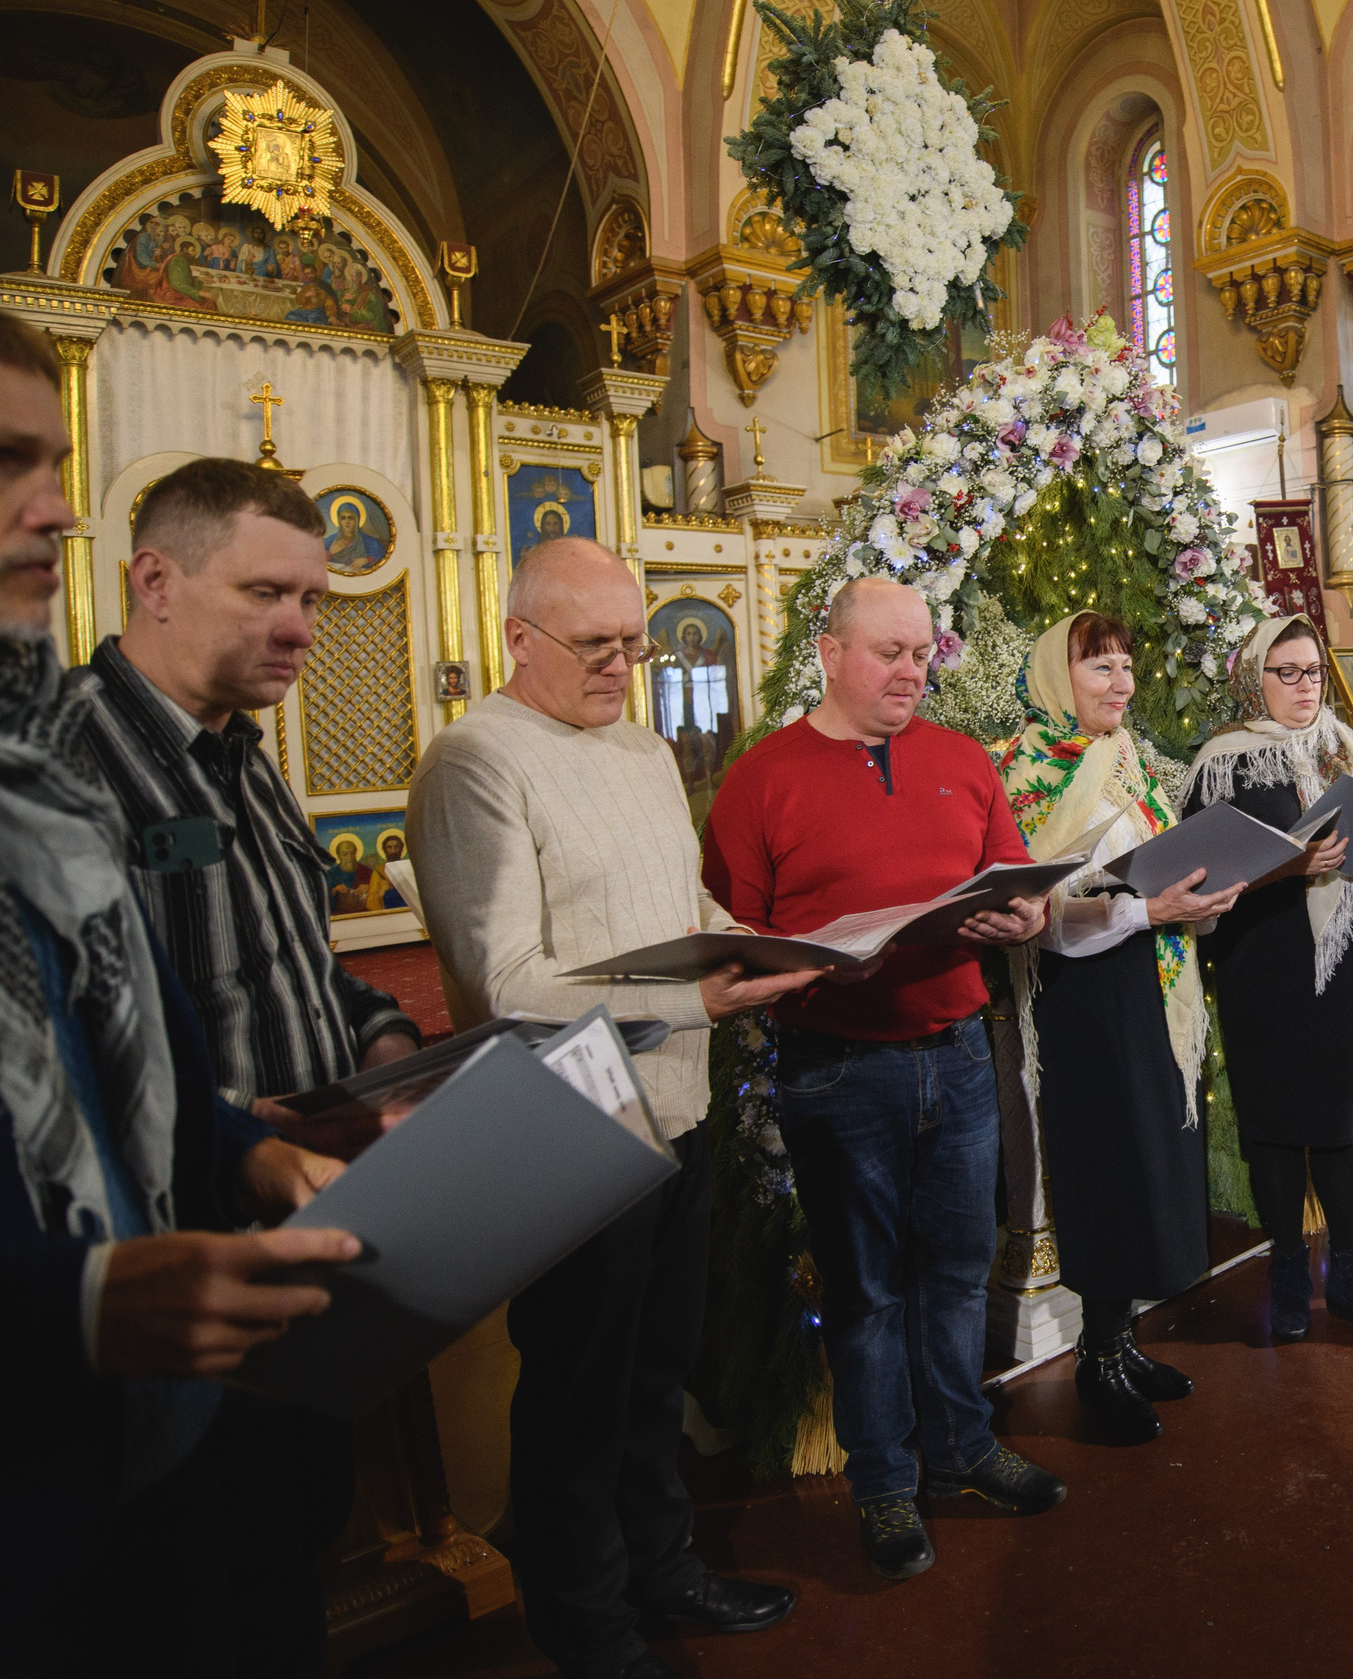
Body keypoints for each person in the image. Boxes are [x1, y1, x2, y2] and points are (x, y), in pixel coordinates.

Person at [0, 309, 359, 1678]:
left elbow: (137, 1034)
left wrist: (249, 1144)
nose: (53, 510)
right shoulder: (82, 755)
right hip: (78, 1382)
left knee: (266, 1580)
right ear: (157, 582)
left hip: (217, 1291)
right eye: (9, 462)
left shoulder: (210, 757)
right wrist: (80, 1300)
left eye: (54, 465)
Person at [411, 536, 812, 1679]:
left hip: (677, 1104)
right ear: (517, 637)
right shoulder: (475, 761)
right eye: (594, 644)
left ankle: (663, 1572)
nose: (621, 666)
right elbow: (506, 981)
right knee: (578, 1393)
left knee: (655, 1373)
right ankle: (587, 1630)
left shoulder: (640, 748)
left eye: (633, 644)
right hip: (568, 1125)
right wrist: (695, 997)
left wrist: (748, 945)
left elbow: (678, 902)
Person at [701, 577, 1063, 1584]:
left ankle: (962, 1447)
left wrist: (1023, 917)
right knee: (863, 1292)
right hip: (837, 1068)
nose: (911, 672)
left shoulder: (962, 760)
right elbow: (733, 934)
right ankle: (885, 1484)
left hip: (958, 1051)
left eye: (922, 653)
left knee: (956, 1273)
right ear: (830, 653)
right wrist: (807, 964)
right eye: (888, 653)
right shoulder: (761, 780)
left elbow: (1017, 881)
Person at [69, 459, 422, 1136]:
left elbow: (294, 966)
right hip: (190, 1192)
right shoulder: (53, 761)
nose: (302, 631)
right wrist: (237, 1131)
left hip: (328, 1167)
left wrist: (385, 1038)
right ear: (155, 582)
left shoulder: (245, 754)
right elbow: (51, 1047)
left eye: (310, 599)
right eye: (264, 593)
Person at [993, 610, 1242, 1443]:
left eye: (1126, 665)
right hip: (1083, 995)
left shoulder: (1128, 755)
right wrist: (1147, 911)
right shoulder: (1024, 767)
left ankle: (1120, 1338)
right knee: (1104, 1164)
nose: (1122, 682)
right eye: (1100, 666)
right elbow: (1040, 917)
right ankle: (1094, 1361)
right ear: (1056, 677)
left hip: (1153, 983)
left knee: (1149, 1159)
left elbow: (1155, 861)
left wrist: (1201, 897)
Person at [1181, 615, 1353, 1345]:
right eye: (1288, 672)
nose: (1306, 686)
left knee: (1341, 1121)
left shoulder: (1345, 745)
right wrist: (1289, 866)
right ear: (1257, 679)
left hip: (1343, 962)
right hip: (1264, 961)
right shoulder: (1223, 762)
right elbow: (1200, 876)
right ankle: (1285, 1267)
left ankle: (1349, 1269)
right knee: (1276, 1125)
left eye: (1313, 671)